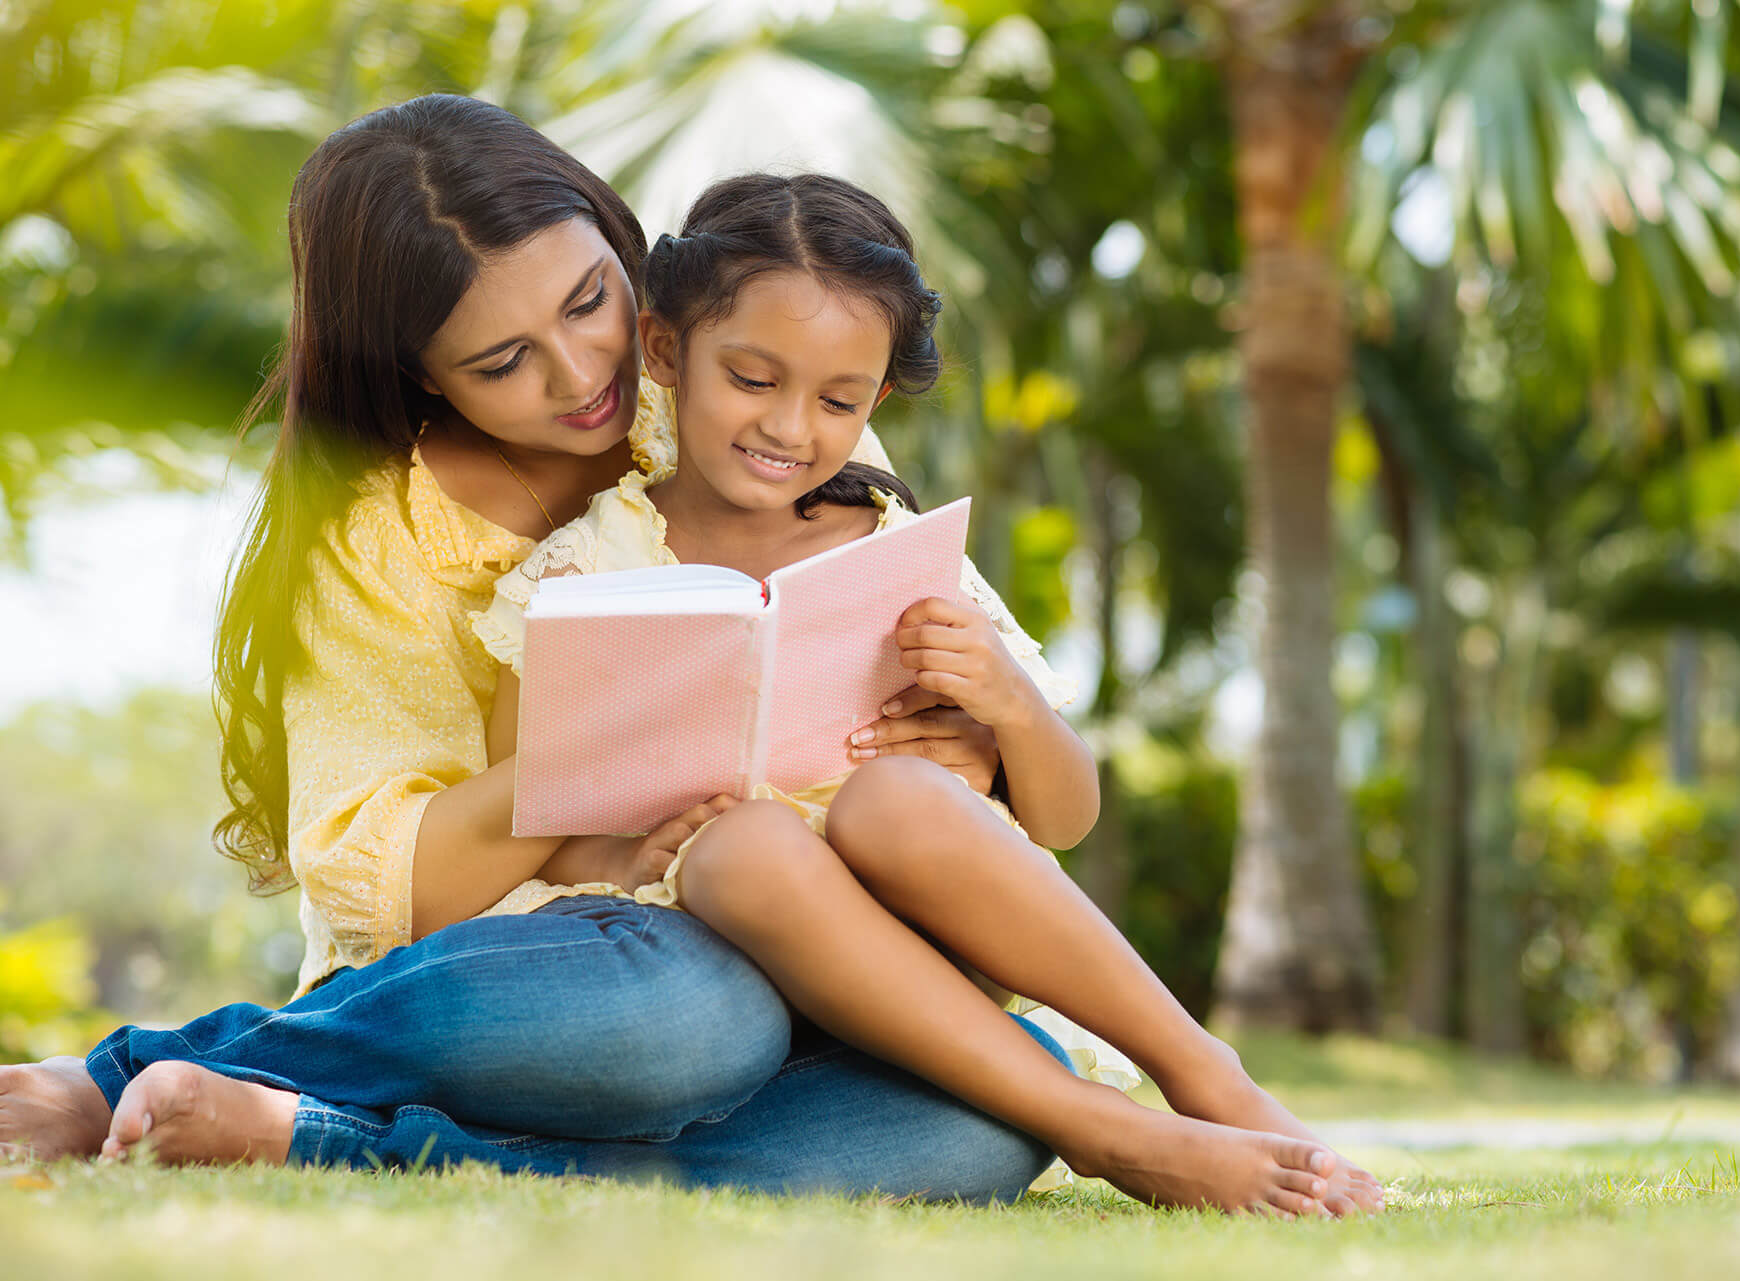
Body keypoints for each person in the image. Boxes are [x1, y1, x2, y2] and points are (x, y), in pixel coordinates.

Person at [0, 94, 1087, 1203]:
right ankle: (155, 1075)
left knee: (991, 1122)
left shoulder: (749, 381)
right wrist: (618, 752)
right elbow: (396, 889)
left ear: (626, 260)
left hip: (828, 951)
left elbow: (967, 688)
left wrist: (965, 742)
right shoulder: (375, 539)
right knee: (690, 1023)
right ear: (423, 369)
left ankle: (308, 1133)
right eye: (505, 359)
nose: (580, 377)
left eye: (587, 303)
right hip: (567, 967)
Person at [473, 172, 1384, 1218]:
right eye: (754, 379)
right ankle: (1108, 1136)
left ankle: (1204, 1073)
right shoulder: (577, 576)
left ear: (878, 403)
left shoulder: (896, 553)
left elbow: (1065, 817)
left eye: (838, 400)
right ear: (668, 351)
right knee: (748, 845)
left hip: (916, 943)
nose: (791, 426)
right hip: (713, 957)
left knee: (894, 801)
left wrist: (1009, 710)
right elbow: (528, 816)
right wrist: (624, 853)